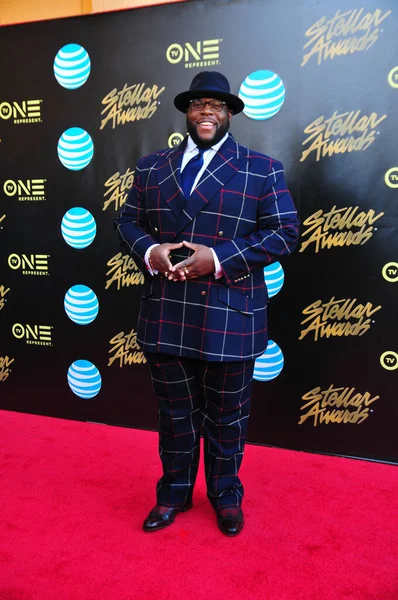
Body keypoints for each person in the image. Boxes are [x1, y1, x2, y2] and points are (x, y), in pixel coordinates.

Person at [114, 71, 299, 536]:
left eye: (217, 104)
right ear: (187, 111)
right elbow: (126, 222)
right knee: (174, 416)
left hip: (229, 313)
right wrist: (152, 253)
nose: (207, 112)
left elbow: (284, 233)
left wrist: (216, 258)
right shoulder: (151, 167)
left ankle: (226, 497)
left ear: (230, 112)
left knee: (227, 416)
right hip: (167, 309)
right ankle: (173, 494)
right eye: (198, 103)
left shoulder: (262, 168)